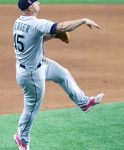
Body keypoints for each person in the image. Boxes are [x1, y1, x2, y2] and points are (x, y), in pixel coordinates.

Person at [13, 0, 105, 149]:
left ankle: (84, 102)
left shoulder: (19, 22)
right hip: (31, 75)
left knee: (63, 74)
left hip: (39, 64)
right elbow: (61, 26)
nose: (39, 3)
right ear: (31, 7)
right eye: (36, 2)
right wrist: (82, 20)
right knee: (31, 108)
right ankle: (22, 138)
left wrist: (54, 36)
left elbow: (37, 38)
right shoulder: (36, 23)